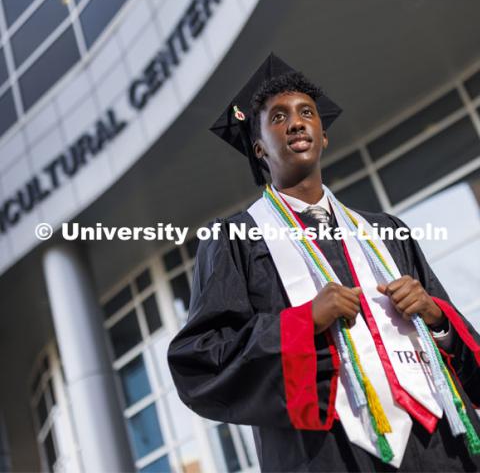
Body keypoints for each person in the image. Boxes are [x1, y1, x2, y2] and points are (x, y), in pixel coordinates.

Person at [167, 53, 480, 472]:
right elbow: (202, 362)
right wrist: (303, 322)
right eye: (278, 117)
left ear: (323, 134)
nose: (296, 123)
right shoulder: (233, 240)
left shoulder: (386, 231)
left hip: (441, 449)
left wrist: (434, 316)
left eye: (306, 113)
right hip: (331, 454)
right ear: (258, 147)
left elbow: (463, 347)